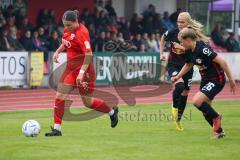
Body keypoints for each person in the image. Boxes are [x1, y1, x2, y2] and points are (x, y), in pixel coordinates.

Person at [45, 10, 119, 136]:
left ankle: (111, 112)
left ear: (76, 22)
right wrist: (58, 51)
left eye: (68, 25)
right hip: (70, 70)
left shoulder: (82, 33)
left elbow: (89, 54)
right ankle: (57, 129)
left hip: (85, 72)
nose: (66, 28)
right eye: (64, 25)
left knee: (87, 103)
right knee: (59, 96)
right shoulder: (68, 29)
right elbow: (66, 42)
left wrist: (81, 73)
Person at [172, 27, 236, 138]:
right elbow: (188, 64)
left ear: (188, 40)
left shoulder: (203, 49)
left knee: (197, 101)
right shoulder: (188, 51)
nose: (181, 44)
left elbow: (223, 62)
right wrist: (178, 76)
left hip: (216, 79)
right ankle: (219, 132)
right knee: (206, 111)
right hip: (206, 80)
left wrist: (231, 80)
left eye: (182, 41)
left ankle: (217, 117)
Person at [160, 12, 208, 131]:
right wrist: (161, 53)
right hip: (173, 65)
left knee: (186, 91)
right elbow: (162, 38)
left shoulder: (192, 35)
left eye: (182, 22)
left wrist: (199, 64)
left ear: (188, 22)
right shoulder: (172, 32)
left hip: (187, 66)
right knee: (180, 86)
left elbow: (196, 50)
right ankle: (174, 108)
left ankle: (178, 119)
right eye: (178, 21)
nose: (179, 24)